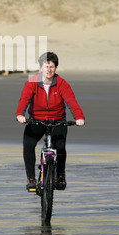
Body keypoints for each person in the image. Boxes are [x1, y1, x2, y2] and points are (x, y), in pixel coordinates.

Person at [16, 52, 85, 191]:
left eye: (52, 67)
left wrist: (79, 117)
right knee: (28, 144)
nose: (49, 70)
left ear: (55, 68)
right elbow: (24, 99)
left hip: (57, 120)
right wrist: (20, 114)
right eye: (46, 66)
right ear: (41, 67)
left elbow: (71, 101)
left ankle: (60, 176)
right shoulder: (32, 82)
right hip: (36, 120)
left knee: (60, 147)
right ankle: (31, 178)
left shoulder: (61, 83)